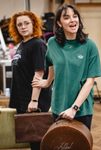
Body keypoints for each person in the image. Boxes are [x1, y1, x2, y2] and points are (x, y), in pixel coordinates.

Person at [32, 3, 101, 130]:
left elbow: (90, 82)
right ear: (59, 23)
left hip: (81, 109)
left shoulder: (89, 46)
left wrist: (74, 108)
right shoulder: (52, 43)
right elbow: (51, 63)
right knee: (59, 144)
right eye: (66, 17)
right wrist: (48, 82)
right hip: (58, 105)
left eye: (75, 16)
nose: (72, 20)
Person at [8, 11, 51, 150]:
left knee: (38, 142)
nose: (23, 26)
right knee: (31, 141)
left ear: (34, 24)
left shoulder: (38, 44)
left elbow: (39, 73)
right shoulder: (22, 45)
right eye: (19, 24)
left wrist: (34, 101)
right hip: (23, 99)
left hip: (34, 101)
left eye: (27, 23)